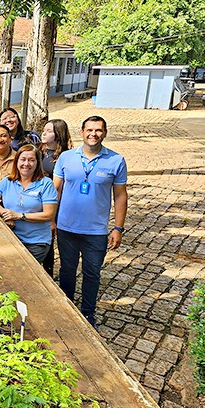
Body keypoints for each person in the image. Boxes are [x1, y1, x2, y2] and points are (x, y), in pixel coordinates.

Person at [54, 115, 128, 326]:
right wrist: (51, 220)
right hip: (66, 227)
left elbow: (120, 196)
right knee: (67, 270)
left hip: (96, 231)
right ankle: (67, 308)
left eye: (98, 130)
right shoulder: (66, 158)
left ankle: (88, 313)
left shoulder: (116, 160)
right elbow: (56, 190)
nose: (93, 134)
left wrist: (118, 228)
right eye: (90, 130)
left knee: (92, 273)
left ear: (104, 133)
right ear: (82, 131)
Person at [0, 145, 58, 263]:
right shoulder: (8, 181)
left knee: (23, 270)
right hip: (11, 238)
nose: (26, 163)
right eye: (23, 159)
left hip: (36, 242)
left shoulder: (46, 184)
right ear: (17, 161)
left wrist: (19, 216)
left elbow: (48, 215)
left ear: (37, 163)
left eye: (31, 160)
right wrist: (6, 213)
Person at [40, 119, 72, 276]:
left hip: (56, 202)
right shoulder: (42, 151)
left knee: (50, 238)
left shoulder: (64, 157)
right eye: (44, 130)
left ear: (58, 135)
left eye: (49, 131)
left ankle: (49, 272)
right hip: (41, 199)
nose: (44, 133)